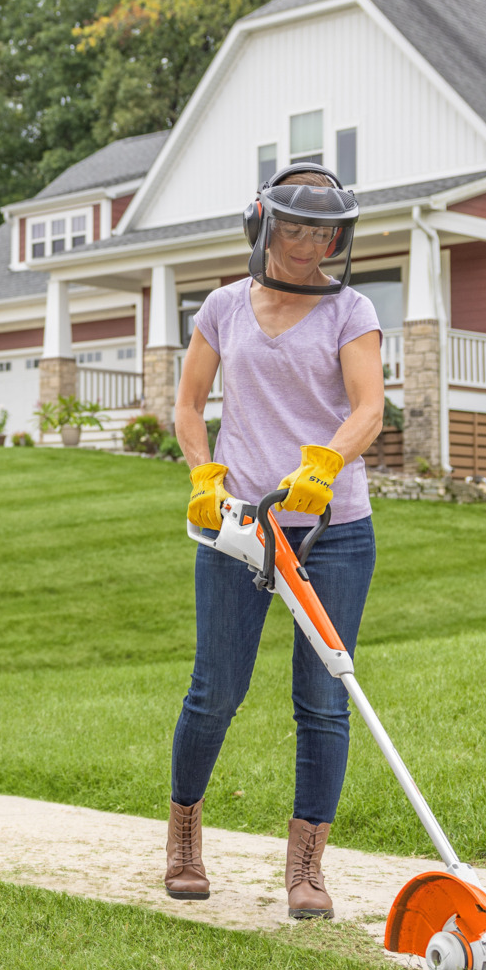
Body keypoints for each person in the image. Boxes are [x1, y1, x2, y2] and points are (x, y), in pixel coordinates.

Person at [165, 166, 384, 919]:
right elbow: (189, 405)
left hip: (333, 531)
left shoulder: (351, 309)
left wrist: (326, 462)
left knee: (323, 699)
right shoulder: (224, 306)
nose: (311, 243)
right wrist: (204, 475)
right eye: (295, 228)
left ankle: (306, 870)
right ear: (262, 225)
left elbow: (369, 408)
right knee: (216, 689)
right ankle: (186, 837)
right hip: (243, 527)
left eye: (325, 231)